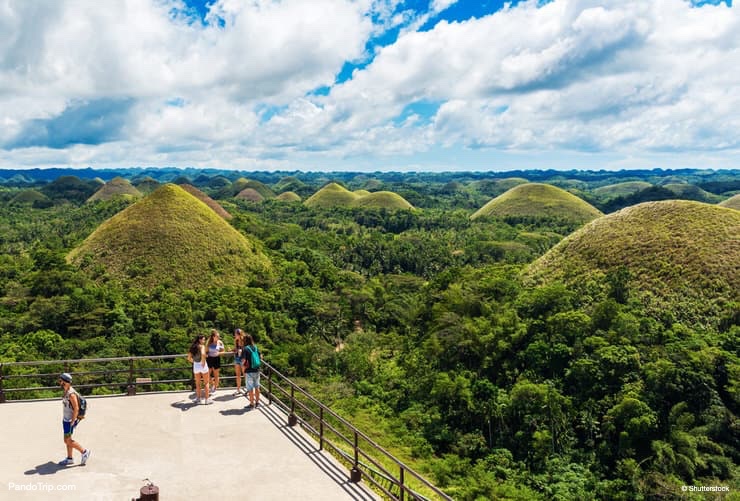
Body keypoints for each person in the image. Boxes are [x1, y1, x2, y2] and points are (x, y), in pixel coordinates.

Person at [58, 373, 90, 466]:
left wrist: (72, 421)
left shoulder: (71, 394)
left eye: (61, 381)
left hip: (69, 421)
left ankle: (84, 452)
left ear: (65, 382)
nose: (59, 382)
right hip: (66, 419)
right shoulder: (66, 390)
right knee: (68, 439)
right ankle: (69, 458)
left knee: (67, 440)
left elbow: (76, 408)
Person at [187, 334, 212, 405]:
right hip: (202, 365)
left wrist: (194, 362)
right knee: (206, 382)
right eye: (203, 339)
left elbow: (188, 358)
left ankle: (198, 398)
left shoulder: (192, 347)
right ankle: (207, 400)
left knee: (198, 383)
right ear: (200, 340)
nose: (204, 341)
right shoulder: (202, 346)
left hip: (196, 365)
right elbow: (203, 354)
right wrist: (203, 362)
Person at [243, 333, 262, 409]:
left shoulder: (246, 349)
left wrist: (243, 366)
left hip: (249, 371)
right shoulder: (255, 347)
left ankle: (251, 404)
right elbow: (260, 356)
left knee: (250, 388)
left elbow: (244, 360)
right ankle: (257, 402)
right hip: (257, 369)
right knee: (257, 386)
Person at [206, 329, 225, 394]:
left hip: (217, 358)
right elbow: (206, 351)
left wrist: (219, 353)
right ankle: (213, 385)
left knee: (216, 375)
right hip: (209, 359)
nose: (218, 337)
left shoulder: (220, 342)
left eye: (219, 336)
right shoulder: (209, 342)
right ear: (213, 337)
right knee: (207, 374)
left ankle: (215, 389)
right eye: (217, 336)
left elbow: (223, 351)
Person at [232, 328, 246, 396]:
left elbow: (247, 349)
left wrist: (242, 351)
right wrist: (232, 350)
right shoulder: (236, 341)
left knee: (245, 374)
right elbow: (235, 349)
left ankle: (248, 389)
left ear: (239, 334)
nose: (235, 335)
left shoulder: (244, 340)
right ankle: (238, 389)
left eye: (235, 334)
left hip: (243, 359)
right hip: (237, 358)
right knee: (238, 375)